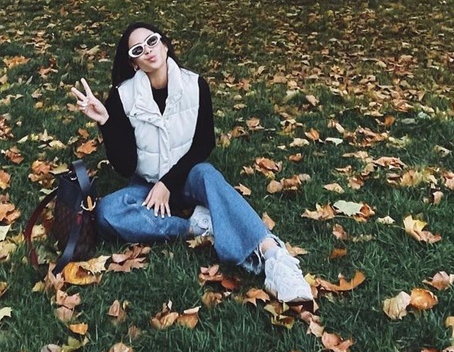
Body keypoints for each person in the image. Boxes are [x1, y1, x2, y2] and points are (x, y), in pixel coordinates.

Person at [70, 21, 313, 304]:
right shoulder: (122, 96)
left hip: (187, 175)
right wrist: (107, 122)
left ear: (164, 44)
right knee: (107, 212)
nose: (148, 50)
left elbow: (204, 144)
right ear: (134, 63)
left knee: (208, 174)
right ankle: (195, 226)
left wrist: (167, 184)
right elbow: (125, 166)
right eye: (138, 49)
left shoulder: (195, 85)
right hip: (146, 186)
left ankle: (274, 257)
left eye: (152, 41)